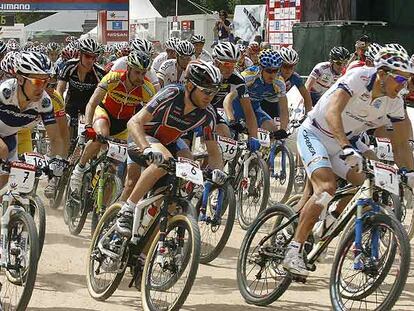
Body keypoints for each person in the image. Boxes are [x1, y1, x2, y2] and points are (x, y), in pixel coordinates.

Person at [283, 47, 414, 277]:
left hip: (346, 144)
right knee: (326, 188)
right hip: (316, 134)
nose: (404, 85)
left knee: (372, 183)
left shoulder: (394, 102)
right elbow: (334, 111)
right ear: (383, 74)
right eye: (401, 78)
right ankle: (293, 250)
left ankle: (329, 220)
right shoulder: (359, 77)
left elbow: (402, 144)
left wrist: (410, 173)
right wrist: (345, 147)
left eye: (408, 80)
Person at [115, 60, 225, 237]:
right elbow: (134, 122)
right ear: (190, 85)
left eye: (213, 92)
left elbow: (213, 151)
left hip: (169, 142)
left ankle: (144, 251)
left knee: (178, 188)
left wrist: (218, 171)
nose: (209, 97)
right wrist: (146, 148)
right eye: (205, 91)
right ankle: (128, 209)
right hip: (142, 137)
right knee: (164, 159)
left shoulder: (207, 114)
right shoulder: (172, 93)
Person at [70, 51, 156, 192]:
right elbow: (92, 103)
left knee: (114, 166)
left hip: (124, 124)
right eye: (137, 72)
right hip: (105, 114)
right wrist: (88, 125)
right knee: (101, 136)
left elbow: (149, 118)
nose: (141, 77)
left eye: (143, 73)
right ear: (128, 68)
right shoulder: (113, 78)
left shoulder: (147, 88)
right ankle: (79, 170)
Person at [0, 52, 65, 188]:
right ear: (20, 79)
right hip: (4, 145)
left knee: (8, 186)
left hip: (9, 137)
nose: (42, 87)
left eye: (46, 81)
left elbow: (55, 138)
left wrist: (56, 161)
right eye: (37, 81)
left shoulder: (44, 102)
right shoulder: (5, 92)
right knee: (3, 150)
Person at [226, 49, 289, 133]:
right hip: (237, 105)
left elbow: (283, 109)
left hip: (255, 107)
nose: (272, 75)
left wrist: (283, 130)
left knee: (273, 130)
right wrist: (231, 119)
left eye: (275, 71)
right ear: (261, 68)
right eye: (269, 71)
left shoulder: (279, 82)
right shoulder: (248, 77)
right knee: (237, 133)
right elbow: (229, 98)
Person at [211, 42, 259, 144]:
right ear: (216, 62)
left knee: (225, 138)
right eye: (227, 64)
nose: (230, 69)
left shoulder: (237, 79)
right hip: (198, 108)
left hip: (217, 111)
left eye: (233, 64)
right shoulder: (205, 74)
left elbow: (248, 111)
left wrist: (253, 137)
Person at [57, 38, 105, 134]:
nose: (90, 60)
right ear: (80, 54)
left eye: (94, 57)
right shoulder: (69, 66)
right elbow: (60, 90)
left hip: (89, 106)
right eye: (87, 56)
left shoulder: (99, 72)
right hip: (71, 105)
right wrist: (60, 110)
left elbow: (102, 97)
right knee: (67, 133)